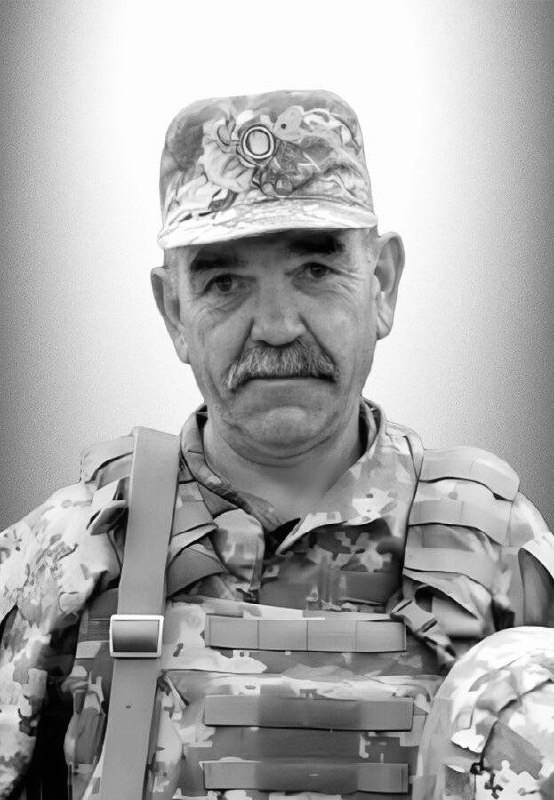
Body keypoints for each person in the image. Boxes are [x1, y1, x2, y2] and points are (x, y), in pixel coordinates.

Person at [1, 90, 553, 800]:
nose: (277, 326)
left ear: (382, 284)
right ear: (175, 312)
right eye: (225, 282)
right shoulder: (69, 554)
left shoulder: (499, 550)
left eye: (315, 272)